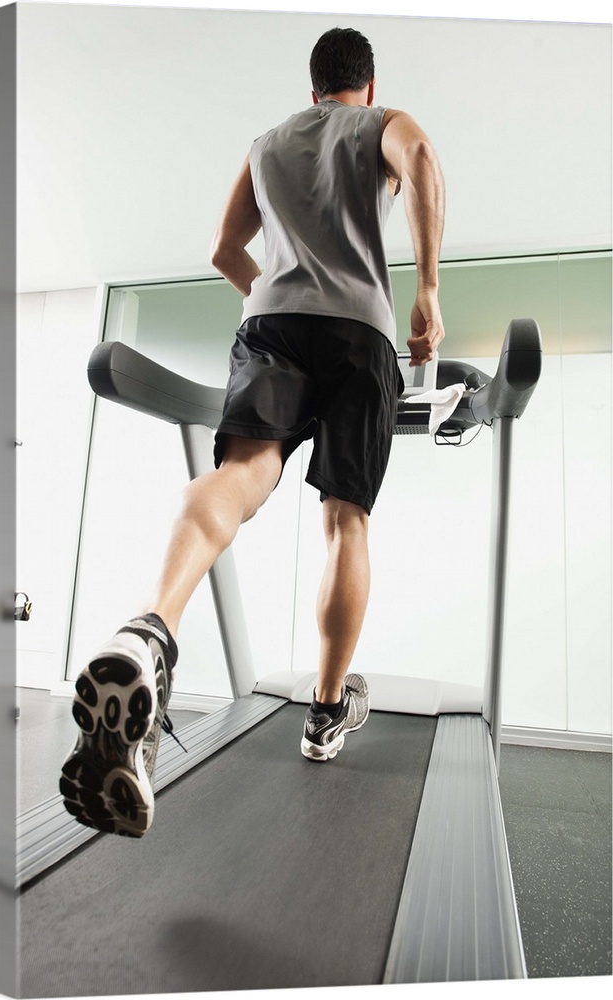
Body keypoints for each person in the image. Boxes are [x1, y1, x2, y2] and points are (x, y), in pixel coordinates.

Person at [60, 26, 445, 837]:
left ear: (312, 91)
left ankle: (151, 627)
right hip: (360, 335)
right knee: (345, 518)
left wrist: (266, 296)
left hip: (272, 327)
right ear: (366, 87)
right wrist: (428, 294)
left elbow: (221, 247)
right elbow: (425, 164)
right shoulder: (383, 124)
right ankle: (327, 710)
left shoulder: (267, 142)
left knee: (243, 478)